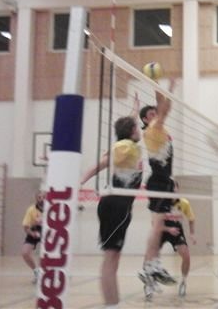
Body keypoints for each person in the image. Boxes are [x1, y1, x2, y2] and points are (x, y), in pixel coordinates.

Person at [80, 115, 143, 309]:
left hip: (117, 205)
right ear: (131, 131)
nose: (140, 130)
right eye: (137, 127)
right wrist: (80, 182)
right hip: (116, 205)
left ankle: (113, 304)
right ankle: (110, 305)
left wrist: (133, 112)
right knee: (110, 258)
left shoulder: (127, 146)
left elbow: (105, 160)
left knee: (113, 258)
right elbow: (102, 162)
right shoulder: (125, 147)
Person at [138, 78, 178, 289]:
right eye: (152, 114)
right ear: (146, 119)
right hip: (159, 183)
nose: (156, 114)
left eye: (156, 112)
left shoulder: (158, 129)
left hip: (163, 182)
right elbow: (164, 109)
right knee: (157, 227)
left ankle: (151, 266)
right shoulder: (153, 128)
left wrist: (156, 86)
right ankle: (150, 266)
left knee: (157, 227)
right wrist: (169, 88)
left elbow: (162, 108)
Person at [152, 179, 197, 299]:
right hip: (162, 229)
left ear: (177, 189)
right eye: (170, 188)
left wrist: (192, 234)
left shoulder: (184, 203)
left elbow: (191, 219)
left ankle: (183, 282)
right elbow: (154, 223)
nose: (173, 190)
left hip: (176, 231)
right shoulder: (160, 203)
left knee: (186, 256)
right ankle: (150, 282)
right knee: (151, 256)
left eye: (174, 187)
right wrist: (167, 229)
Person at [21, 190, 45, 283]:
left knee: (47, 254)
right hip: (34, 230)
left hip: (47, 232)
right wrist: (32, 233)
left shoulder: (51, 209)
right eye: (39, 197)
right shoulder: (31, 210)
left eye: (44, 197)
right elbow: (26, 227)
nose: (42, 199)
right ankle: (36, 272)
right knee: (25, 253)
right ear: (36, 199)